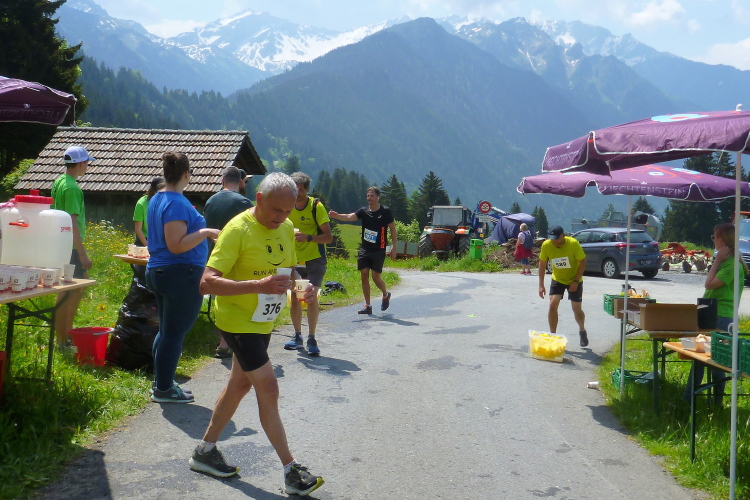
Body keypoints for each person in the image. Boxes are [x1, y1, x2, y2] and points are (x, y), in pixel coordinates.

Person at [189, 172, 324, 496]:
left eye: (288, 210)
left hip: (262, 321)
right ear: (259, 199)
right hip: (237, 321)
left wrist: (302, 288)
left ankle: (205, 451)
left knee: (238, 385)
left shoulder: (287, 228)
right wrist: (257, 285)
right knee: (268, 386)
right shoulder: (237, 230)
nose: (281, 217)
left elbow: (289, 271)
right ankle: (291, 470)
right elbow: (206, 283)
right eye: (276, 209)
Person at [146, 152, 220, 403]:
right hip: (179, 273)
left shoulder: (158, 197)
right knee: (174, 334)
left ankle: (162, 383)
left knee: (167, 331)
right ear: (186, 174)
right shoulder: (176, 203)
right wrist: (206, 232)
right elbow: (176, 245)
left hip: (162, 271)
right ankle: (164, 389)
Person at [684, 223, 746, 404]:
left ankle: (716, 402)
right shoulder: (727, 262)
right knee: (699, 357)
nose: (713, 240)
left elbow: (709, 284)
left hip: (722, 315)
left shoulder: (732, 265)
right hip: (710, 310)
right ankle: (690, 399)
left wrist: (717, 261)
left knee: (717, 361)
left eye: (714, 237)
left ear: (722, 240)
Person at [204, 166, 253, 359]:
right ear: (240, 182)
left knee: (220, 297)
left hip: (213, 256)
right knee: (234, 298)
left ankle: (224, 341)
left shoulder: (211, 200)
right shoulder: (243, 202)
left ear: (222, 180)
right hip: (236, 257)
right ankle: (228, 342)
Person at [284, 172, 333, 355]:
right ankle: (297, 336)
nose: (297, 194)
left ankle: (312, 337)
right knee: (295, 296)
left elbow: (328, 237)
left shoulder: (316, 207)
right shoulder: (286, 205)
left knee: (311, 297)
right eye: (294, 190)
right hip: (294, 259)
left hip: (314, 259)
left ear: (307, 190)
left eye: (301, 190)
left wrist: (308, 237)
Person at [51, 146, 95, 346]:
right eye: (87, 163)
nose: (87, 166)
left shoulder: (60, 181)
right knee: (70, 291)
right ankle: (63, 339)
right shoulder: (73, 189)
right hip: (71, 246)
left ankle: (64, 335)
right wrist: (83, 255)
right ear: (80, 163)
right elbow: (72, 223)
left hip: (61, 243)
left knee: (71, 289)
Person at [328, 186, 397, 315]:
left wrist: (394, 246)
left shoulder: (385, 211)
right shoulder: (363, 211)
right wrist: (336, 216)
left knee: (376, 277)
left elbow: (392, 229)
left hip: (379, 249)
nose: (369, 198)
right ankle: (368, 305)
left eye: (372, 196)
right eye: (368, 196)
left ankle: (385, 294)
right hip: (365, 248)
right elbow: (349, 217)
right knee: (364, 274)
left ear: (378, 197)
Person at [537, 225, 589, 347]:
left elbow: (583, 262)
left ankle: (582, 330)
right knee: (552, 305)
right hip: (558, 279)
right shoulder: (547, 245)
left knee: (576, 309)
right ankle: (553, 336)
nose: (554, 241)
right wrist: (541, 285)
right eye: (552, 238)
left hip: (574, 279)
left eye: (557, 238)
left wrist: (575, 281)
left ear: (563, 235)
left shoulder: (573, 243)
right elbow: (542, 264)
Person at [133, 177, 165, 247]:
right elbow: (138, 229)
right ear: (154, 191)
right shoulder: (141, 203)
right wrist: (147, 245)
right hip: (143, 240)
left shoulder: (165, 203)